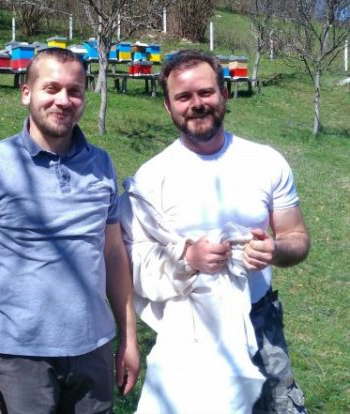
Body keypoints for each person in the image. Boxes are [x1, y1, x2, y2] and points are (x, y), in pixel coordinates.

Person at [0, 47, 140, 414]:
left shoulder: (101, 164)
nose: (63, 100)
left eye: (74, 91)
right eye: (51, 88)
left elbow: (114, 254)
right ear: (27, 93)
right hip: (20, 356)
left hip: (94, 350)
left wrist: (129, 338)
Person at [120, 49, 310, 413]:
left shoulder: (265, 161)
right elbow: (131, 261)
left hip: (260, 322)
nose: (197, 104)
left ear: (224, 94)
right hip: (190, 328)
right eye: (183, 97)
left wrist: (275, 250)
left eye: (206, 92)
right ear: (168, 107)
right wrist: (187, 258)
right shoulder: (152, 178)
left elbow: (297, 237)